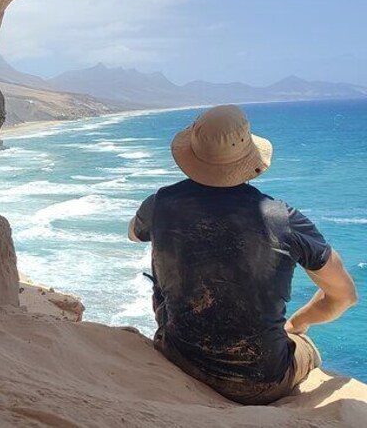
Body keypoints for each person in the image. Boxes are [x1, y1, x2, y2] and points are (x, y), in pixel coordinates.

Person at [129, 104, 358, 405]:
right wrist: (298, 324)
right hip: (260, 383)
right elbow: (344, 295)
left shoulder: (159, 203)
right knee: (306, 349)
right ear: (250, 159)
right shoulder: (283, 219)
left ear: (192, 156)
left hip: (177, 353)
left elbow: (134, 234)